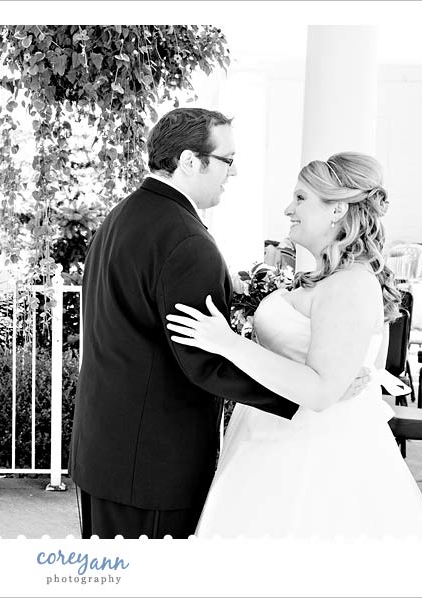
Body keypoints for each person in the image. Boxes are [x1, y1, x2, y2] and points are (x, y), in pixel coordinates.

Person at [68, 108, 363, 539]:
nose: (234, 171)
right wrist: (310, 392)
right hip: (153, 464)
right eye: (227, 159)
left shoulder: (125, 215)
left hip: (106, 449)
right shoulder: (186, 240)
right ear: (190, 161)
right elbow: (204, 363)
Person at [167, 152, 422, 538]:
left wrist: (228, 344)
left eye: (300, 199)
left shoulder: (349, 284)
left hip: (308, 453)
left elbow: (319, 391)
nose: (288, 209)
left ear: (337, 210)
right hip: (268, 436)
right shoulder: (324, 278)